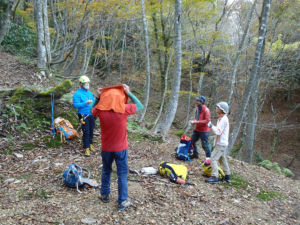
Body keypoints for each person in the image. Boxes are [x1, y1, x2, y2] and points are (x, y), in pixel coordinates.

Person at [92, 84, 143, 211]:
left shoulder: (100, 110)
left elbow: (91, 111)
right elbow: (140, 106)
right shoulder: (124, 109)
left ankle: (104, 194)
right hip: (121, 149)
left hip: (106, 148)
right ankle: (122, 200)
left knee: (106, 171)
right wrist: (129, 93)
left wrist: (98, 98)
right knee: (121, 175)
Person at [205, 102, 231, 184]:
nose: (216, 108)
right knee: (222, 159)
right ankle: (227, 176)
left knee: (213, 158)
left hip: (221, 144)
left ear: (222, 109)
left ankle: (214, 177)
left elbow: (219, 132)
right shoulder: (222, 118)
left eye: (218, 107)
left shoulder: (223, 120)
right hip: (222, 143)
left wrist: (211, 126)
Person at [73, 75, 95, 157]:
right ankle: (86, 148)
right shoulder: (77, 94)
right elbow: (75, 105)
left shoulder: (90, 93)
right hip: (83, 114)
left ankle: (91, 143)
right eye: (86, 83)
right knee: (86, 131)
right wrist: (85, 103)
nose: (87, 84)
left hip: (91, 114)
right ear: (81, 84)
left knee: (91, 130)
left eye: (88, 83)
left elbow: (94, 103)